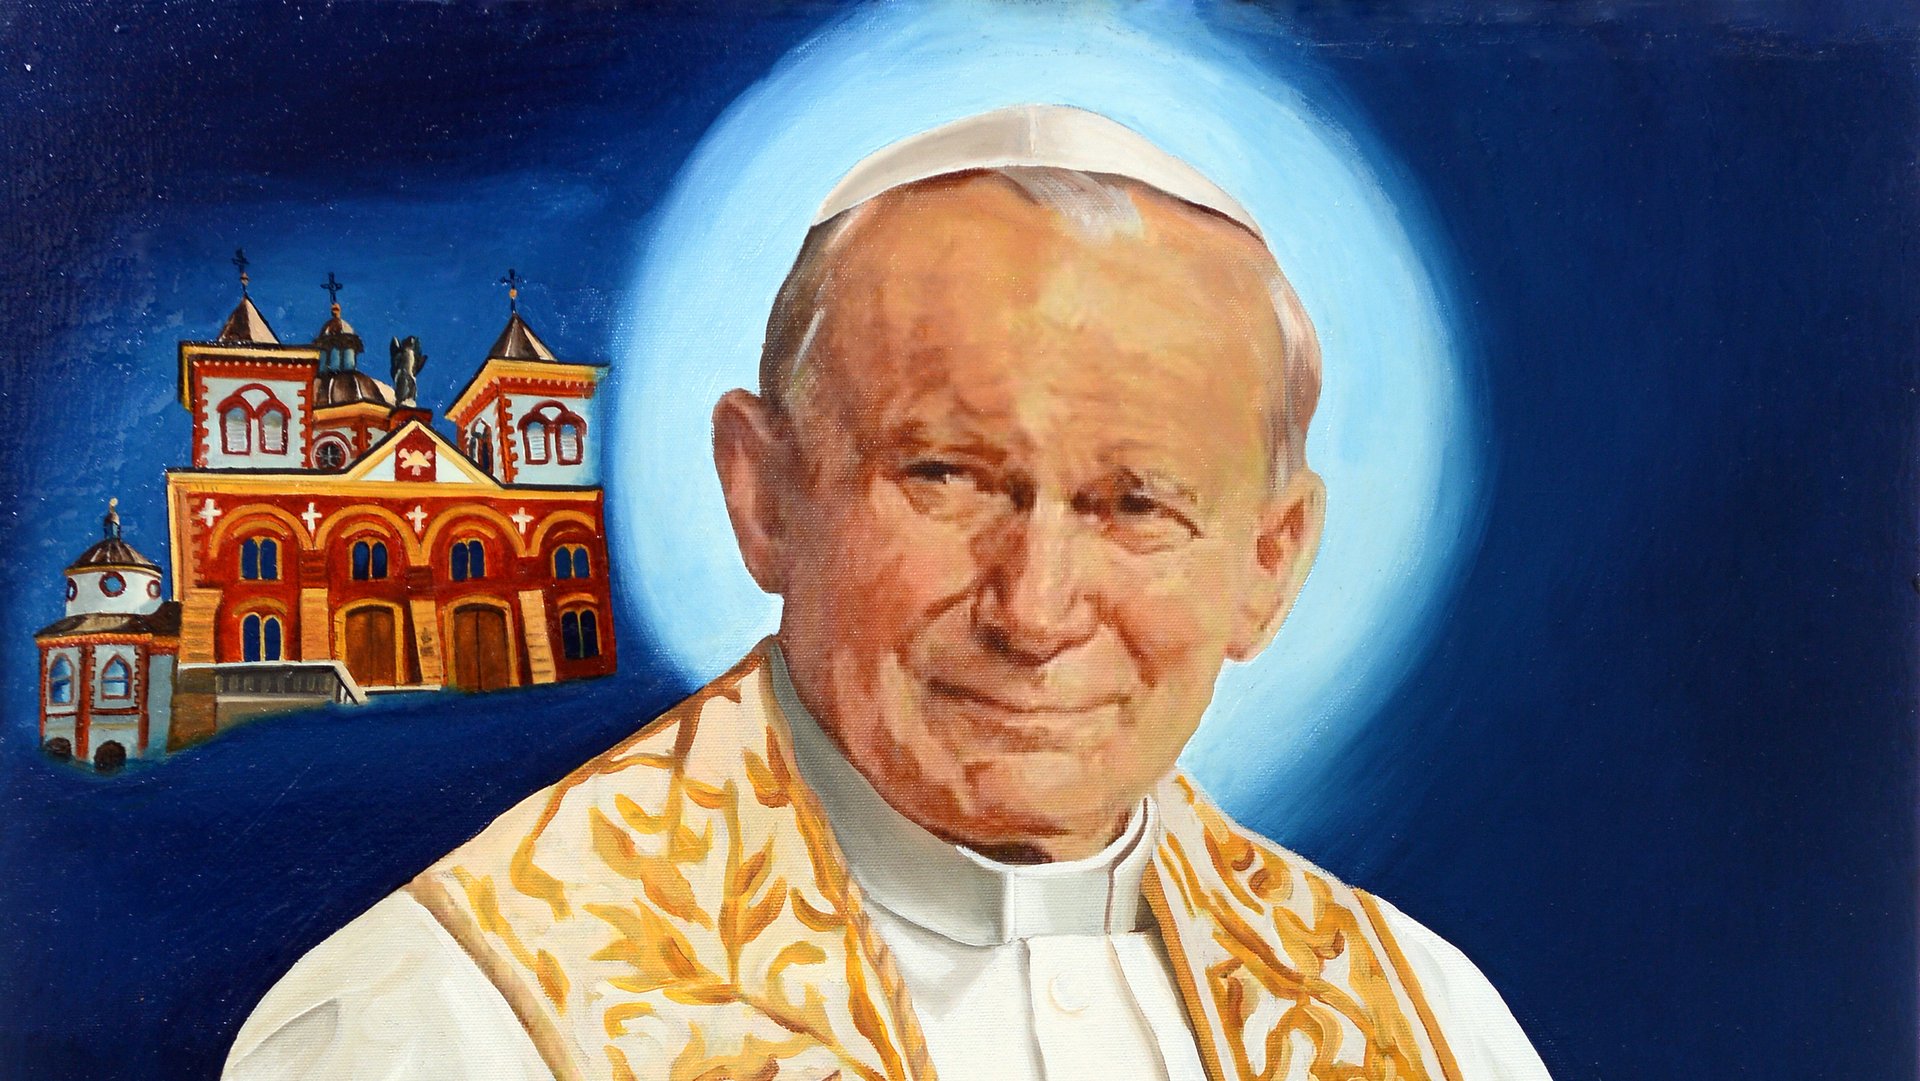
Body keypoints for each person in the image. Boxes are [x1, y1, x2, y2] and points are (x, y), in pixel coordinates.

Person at [226, 106, 1550, 1081]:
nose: (1035, 612)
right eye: (947, 476)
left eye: (1137, 504)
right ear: (765, 495)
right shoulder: (441, 1023)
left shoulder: (1432, 1025)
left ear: (1268, 564)